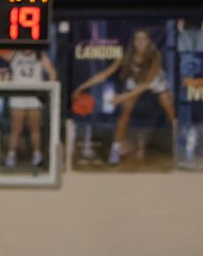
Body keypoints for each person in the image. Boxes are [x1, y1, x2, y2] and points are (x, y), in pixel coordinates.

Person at [73, 29, 177, 166]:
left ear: (148, 42)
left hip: (154, 80)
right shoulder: (126, 56)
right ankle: (115, 150)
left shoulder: (155, 56)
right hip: (135, 80)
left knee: (170, 112)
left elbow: (147, 83)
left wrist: (122, 97)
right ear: (133, 42)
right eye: (137, 39)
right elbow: (105, 74)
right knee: (124, 114)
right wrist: (82, 87)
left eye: (143, 39)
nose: (140, 42)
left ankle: (179, 147)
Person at [0, 49, 57, 168]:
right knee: (16, 129)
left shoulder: (40, 55)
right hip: (18, 96)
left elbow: (52, 72)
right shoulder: (15, 54)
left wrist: (48, 90)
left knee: (35, 129)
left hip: (34, 97)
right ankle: (11, 155)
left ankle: (37, 155)